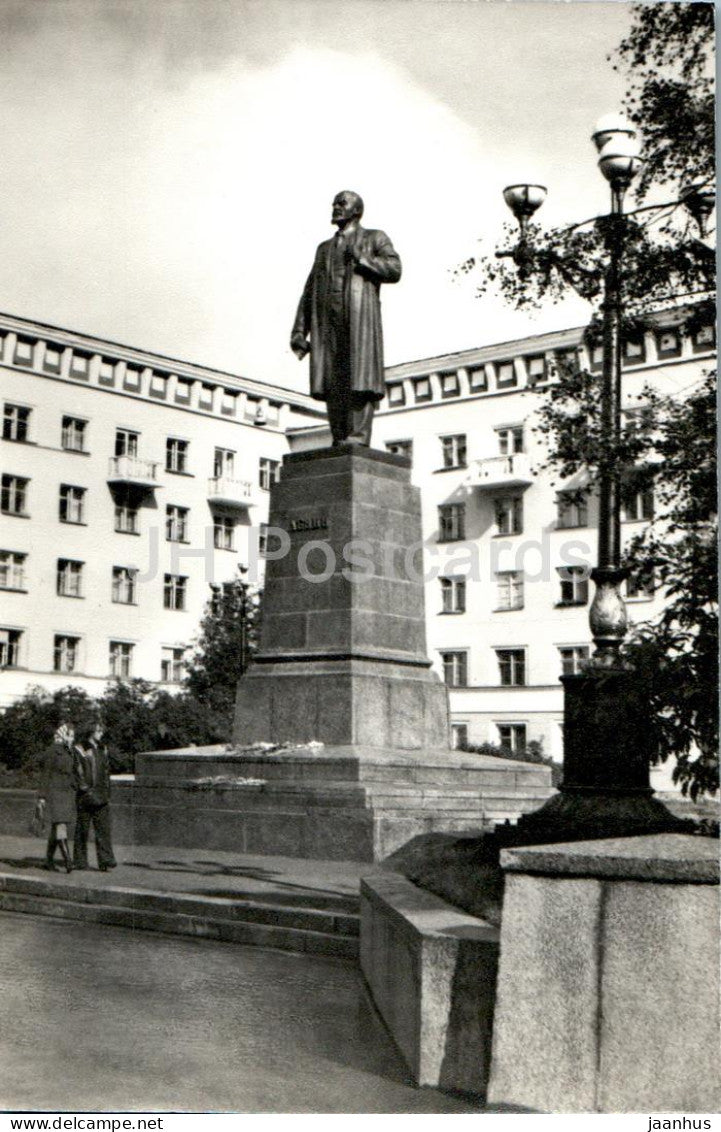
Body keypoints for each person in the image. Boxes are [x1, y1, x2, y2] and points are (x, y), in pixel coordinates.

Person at [290, 190, 401, 447]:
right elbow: (309, 291)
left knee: (359, 377)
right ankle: (340, 436)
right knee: (332, 379)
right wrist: (299, 331)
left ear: (356, 210)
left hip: (359, 321)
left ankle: (358, 437)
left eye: (342, 203)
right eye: (334, 203)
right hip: (327, 324)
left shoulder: (374, 238)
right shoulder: (324, 249)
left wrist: (363, 260)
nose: (335, 207)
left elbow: (395, 269)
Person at [73, 724, 117, 872]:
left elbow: (106, 772)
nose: (101, 733)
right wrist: (84, 789)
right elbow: (78, 771)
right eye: (98, 730)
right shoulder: (80, 748)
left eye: (102, 730)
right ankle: (80, 861)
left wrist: (107, 791)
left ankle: (106, 860)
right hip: (86, 796)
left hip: (101, 794)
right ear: (90, 731)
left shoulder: (102, 748)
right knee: (82, 830)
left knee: (103, 829)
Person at [38, 724, 76, 873]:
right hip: (55, 794)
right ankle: (68, 861)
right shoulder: (52, 751)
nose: (72, 739)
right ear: (62, 735)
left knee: (57, 828)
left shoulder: (69, 751)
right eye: (69, 735)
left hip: (66, 794)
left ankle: (48, 861)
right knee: (60, 826)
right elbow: (45, 775)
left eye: (73, 736)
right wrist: (42, 796)